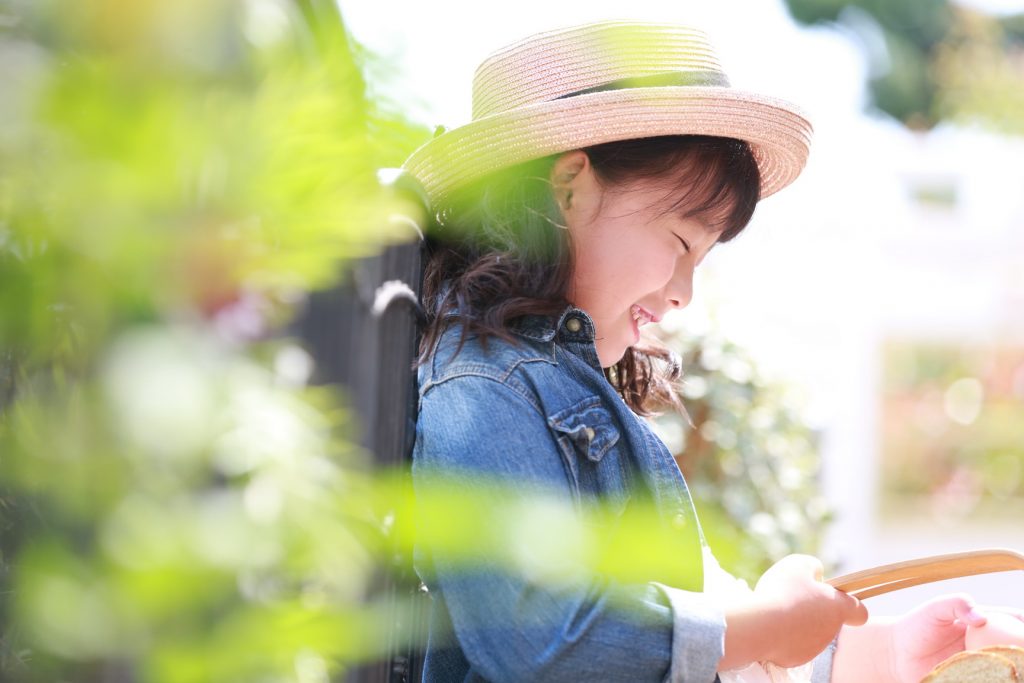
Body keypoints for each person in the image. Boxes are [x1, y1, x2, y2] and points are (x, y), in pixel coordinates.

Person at [403, 21, 1018, 683]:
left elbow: (678, 619)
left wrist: (869, 650)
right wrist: (766, 623)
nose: (684, 292)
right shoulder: (483, 386)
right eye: (681, 241)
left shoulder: (553, 382)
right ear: (569, 187)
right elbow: (545, 640)